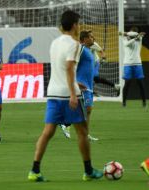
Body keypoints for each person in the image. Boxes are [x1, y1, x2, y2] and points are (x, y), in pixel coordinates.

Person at [28, 10, 103, 182]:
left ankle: (34, 170)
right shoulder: (75, 44)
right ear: (75, 25)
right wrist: (73, 92)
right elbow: (69, 68)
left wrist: (76, 85)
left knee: (47, 132)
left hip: (53, 92)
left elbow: (61, 68)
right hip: (67, 95)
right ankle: (88, 170)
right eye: (79, 23)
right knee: (82, 132)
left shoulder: (54, 43)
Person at [59, 30, 99, 141]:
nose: (93, 38)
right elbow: (70, 64)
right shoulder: (81, 49)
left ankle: (83, 132)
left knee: (88, 110)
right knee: (86, 108)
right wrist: (75, 82)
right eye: (91, 37)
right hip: (82, 85)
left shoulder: (89, 51)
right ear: (84, 39)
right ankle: (66, 123)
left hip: (89, 86)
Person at [121, 26, 146, 107]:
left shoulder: (139, 38)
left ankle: (144, 102)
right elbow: (127, 44)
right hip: (127, 64)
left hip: (138, 64)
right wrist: (134, 36)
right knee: (127, 83)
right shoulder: (125, 39)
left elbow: (136, 36)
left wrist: (136, 36)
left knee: (141, 84)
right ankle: (124, 102)